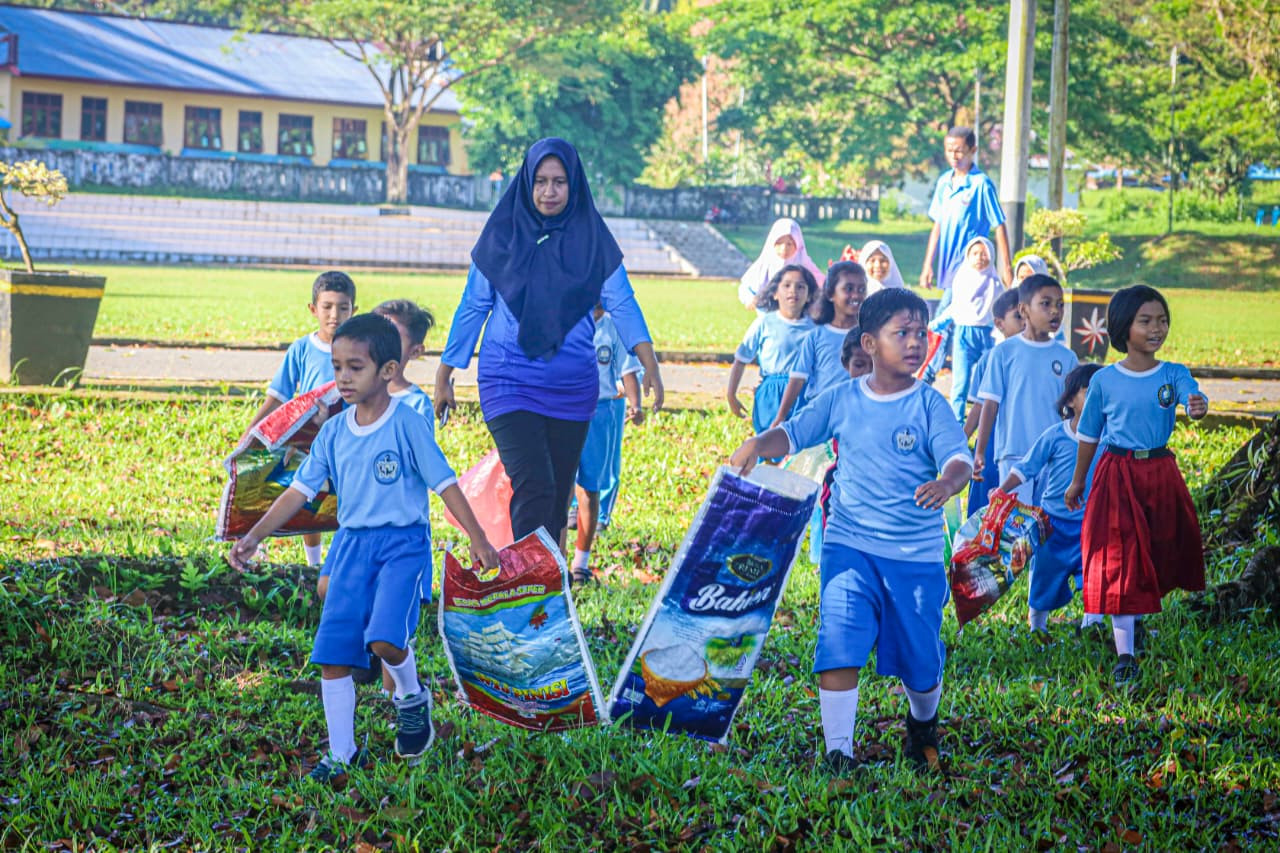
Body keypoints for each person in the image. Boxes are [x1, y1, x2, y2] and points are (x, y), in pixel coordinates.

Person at [228, 314, 500, 783]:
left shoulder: (409, 424)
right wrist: (254, 535)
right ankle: (342, 753)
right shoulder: (333, 433)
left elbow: (445, 483)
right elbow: (298, 491)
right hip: (351, 546)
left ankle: (411, 698)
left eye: (355, 367)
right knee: (334, 657)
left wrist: (478, 538)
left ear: (388, 371)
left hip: (402, 545)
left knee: (385, 639)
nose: (343, 379)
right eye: (337, 368)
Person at [730, 289, 972, 776]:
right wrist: (759, 442)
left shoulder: (930, 404)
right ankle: (838, 751)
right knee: (839, 638)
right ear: (869, 342)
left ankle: (921, 723)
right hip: (849, 545)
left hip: (914, 555)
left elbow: (959, 458)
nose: (914, 343)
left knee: (921, 662)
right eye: (900, 333)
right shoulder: (843, 397)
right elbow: (795, 433)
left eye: (920, 333)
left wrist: (947, 481)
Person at [434, 138, 663, 549]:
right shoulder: (503, 233)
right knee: (535, 486)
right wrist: (446, 372)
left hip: (573, 388)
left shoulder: (591, 238)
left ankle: (548, 596)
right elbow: (474, 304)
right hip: (508, 380)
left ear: (574, 186)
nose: (549, 192)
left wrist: (650, 363)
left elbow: (621, 301)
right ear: (527, 182)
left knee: (557, 499)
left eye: (559, 182)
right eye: (540, 181)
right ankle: (526, 591)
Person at [1065, 285, 1208, 688]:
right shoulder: (1105, 380)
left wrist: (1197, 404)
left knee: (1157, 549)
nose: (1156, 328)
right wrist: (1078, 482)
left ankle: (1138, 620)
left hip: (1160, 471)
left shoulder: (1173, 373)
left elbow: (1191, 396)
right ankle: (1125, 654)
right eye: (1146, 321)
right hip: (1118, 473)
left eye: (1162, 320)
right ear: (1124, 327)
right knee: (1121, 558)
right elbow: (1089, 435)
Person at [243, 270, 356, 568]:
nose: (335, 315)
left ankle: (343, 563)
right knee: (310, 501)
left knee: (347, 500)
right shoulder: (302, 349)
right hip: (309, 441)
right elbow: (278, 395)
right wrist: (252, 431)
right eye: (327, 307)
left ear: (354, 311)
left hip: (348, 438)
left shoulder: (359, 349)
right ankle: (313, 565)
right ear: (313, 309)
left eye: (343, 307)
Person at [998, 363, 1105, 642]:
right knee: (1044, 575)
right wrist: (1003, 489)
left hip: (1092, 524)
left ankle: (1092, 624)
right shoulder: (1056, 435)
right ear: (1070, 400)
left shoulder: (1110, 438)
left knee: (1095, 574)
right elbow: (1027, 466)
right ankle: (1037, 628)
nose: (1096, 397)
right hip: (1052, 524)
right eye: (1088, 391)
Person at [973, 274, 1079, 503]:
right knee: (1015, 524)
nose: (1055, 311)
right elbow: (990, 404)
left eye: (1060, 305)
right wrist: (980, 451)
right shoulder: (1004, 353)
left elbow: (1074, 409)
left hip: (1054, 455)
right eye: (1046, 304)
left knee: (1047, 523)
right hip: (1013, 452)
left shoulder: (1067, 357)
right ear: (1024, 309)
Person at [919, 127, 1013, 383]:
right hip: (947, 266)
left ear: (973, 150)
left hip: (971, 270)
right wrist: (928, 264)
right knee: (950, 321)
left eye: (960, 150)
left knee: (944, 319)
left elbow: (999, 224)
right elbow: (937, 225)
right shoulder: (944, 183)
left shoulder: (981, 184)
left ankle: (927, 373)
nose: (954, 155)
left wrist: (1006, 266)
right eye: (950, 150)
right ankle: (948, 375)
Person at [571, 305, 643, 585]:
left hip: (599, 413)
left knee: (590, 489)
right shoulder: (568, 318)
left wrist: (635, 405)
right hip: (566, 409)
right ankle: (553, 562)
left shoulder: (613, 326)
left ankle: (580, 564)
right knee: (563, 490)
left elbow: (628, 370)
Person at [726, 265, 817, 440]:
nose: (793, 291)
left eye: (801, 287)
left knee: (800, 446)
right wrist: (731, 394)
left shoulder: (816, 327)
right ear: (775, 293)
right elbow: (741, 359)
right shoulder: (765, 323)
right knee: (769, 444)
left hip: (805, 394)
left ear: (809, 296)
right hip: (771, 393)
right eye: (787, 285)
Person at [774, 260, 868, 426]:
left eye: (861, 289)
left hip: (858, 415)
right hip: (822, 416)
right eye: (848, 289)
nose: (856, 295)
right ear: (831, 294)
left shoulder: (870, 336)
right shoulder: (816, 336)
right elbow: (797, 378)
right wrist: (781, 416)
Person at [962, 289, 1024, 516]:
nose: (1025, 322)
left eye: (1028, 315)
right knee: (985, 505)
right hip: (993, 440)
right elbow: (980, 405)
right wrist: (961, 442)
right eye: (1018, 316)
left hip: (1028, 439)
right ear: (999, 323)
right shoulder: (991, 357)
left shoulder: (1049, 355)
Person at [934, 237, 1004, 420]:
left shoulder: (995, 283)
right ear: (968, 256)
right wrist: (940, 322)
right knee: (961, 382)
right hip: (964, 335)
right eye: (975, 254)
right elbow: (955, 306)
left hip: (988, 335)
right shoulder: (962, 279)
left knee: (989, 383)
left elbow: (1001, 309)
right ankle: (957, 421)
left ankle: (989, 420)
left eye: (984, 253)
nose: (979, 257)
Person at [737, 218, 825, 309]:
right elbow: (745, 287)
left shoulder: (805, 265)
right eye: (779, 243)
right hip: (768, 313)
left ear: (797, 245)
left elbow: (821, 286)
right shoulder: (764, 264)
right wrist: (749, 299)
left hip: (798, 315)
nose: (784, 249)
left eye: (789, 244)